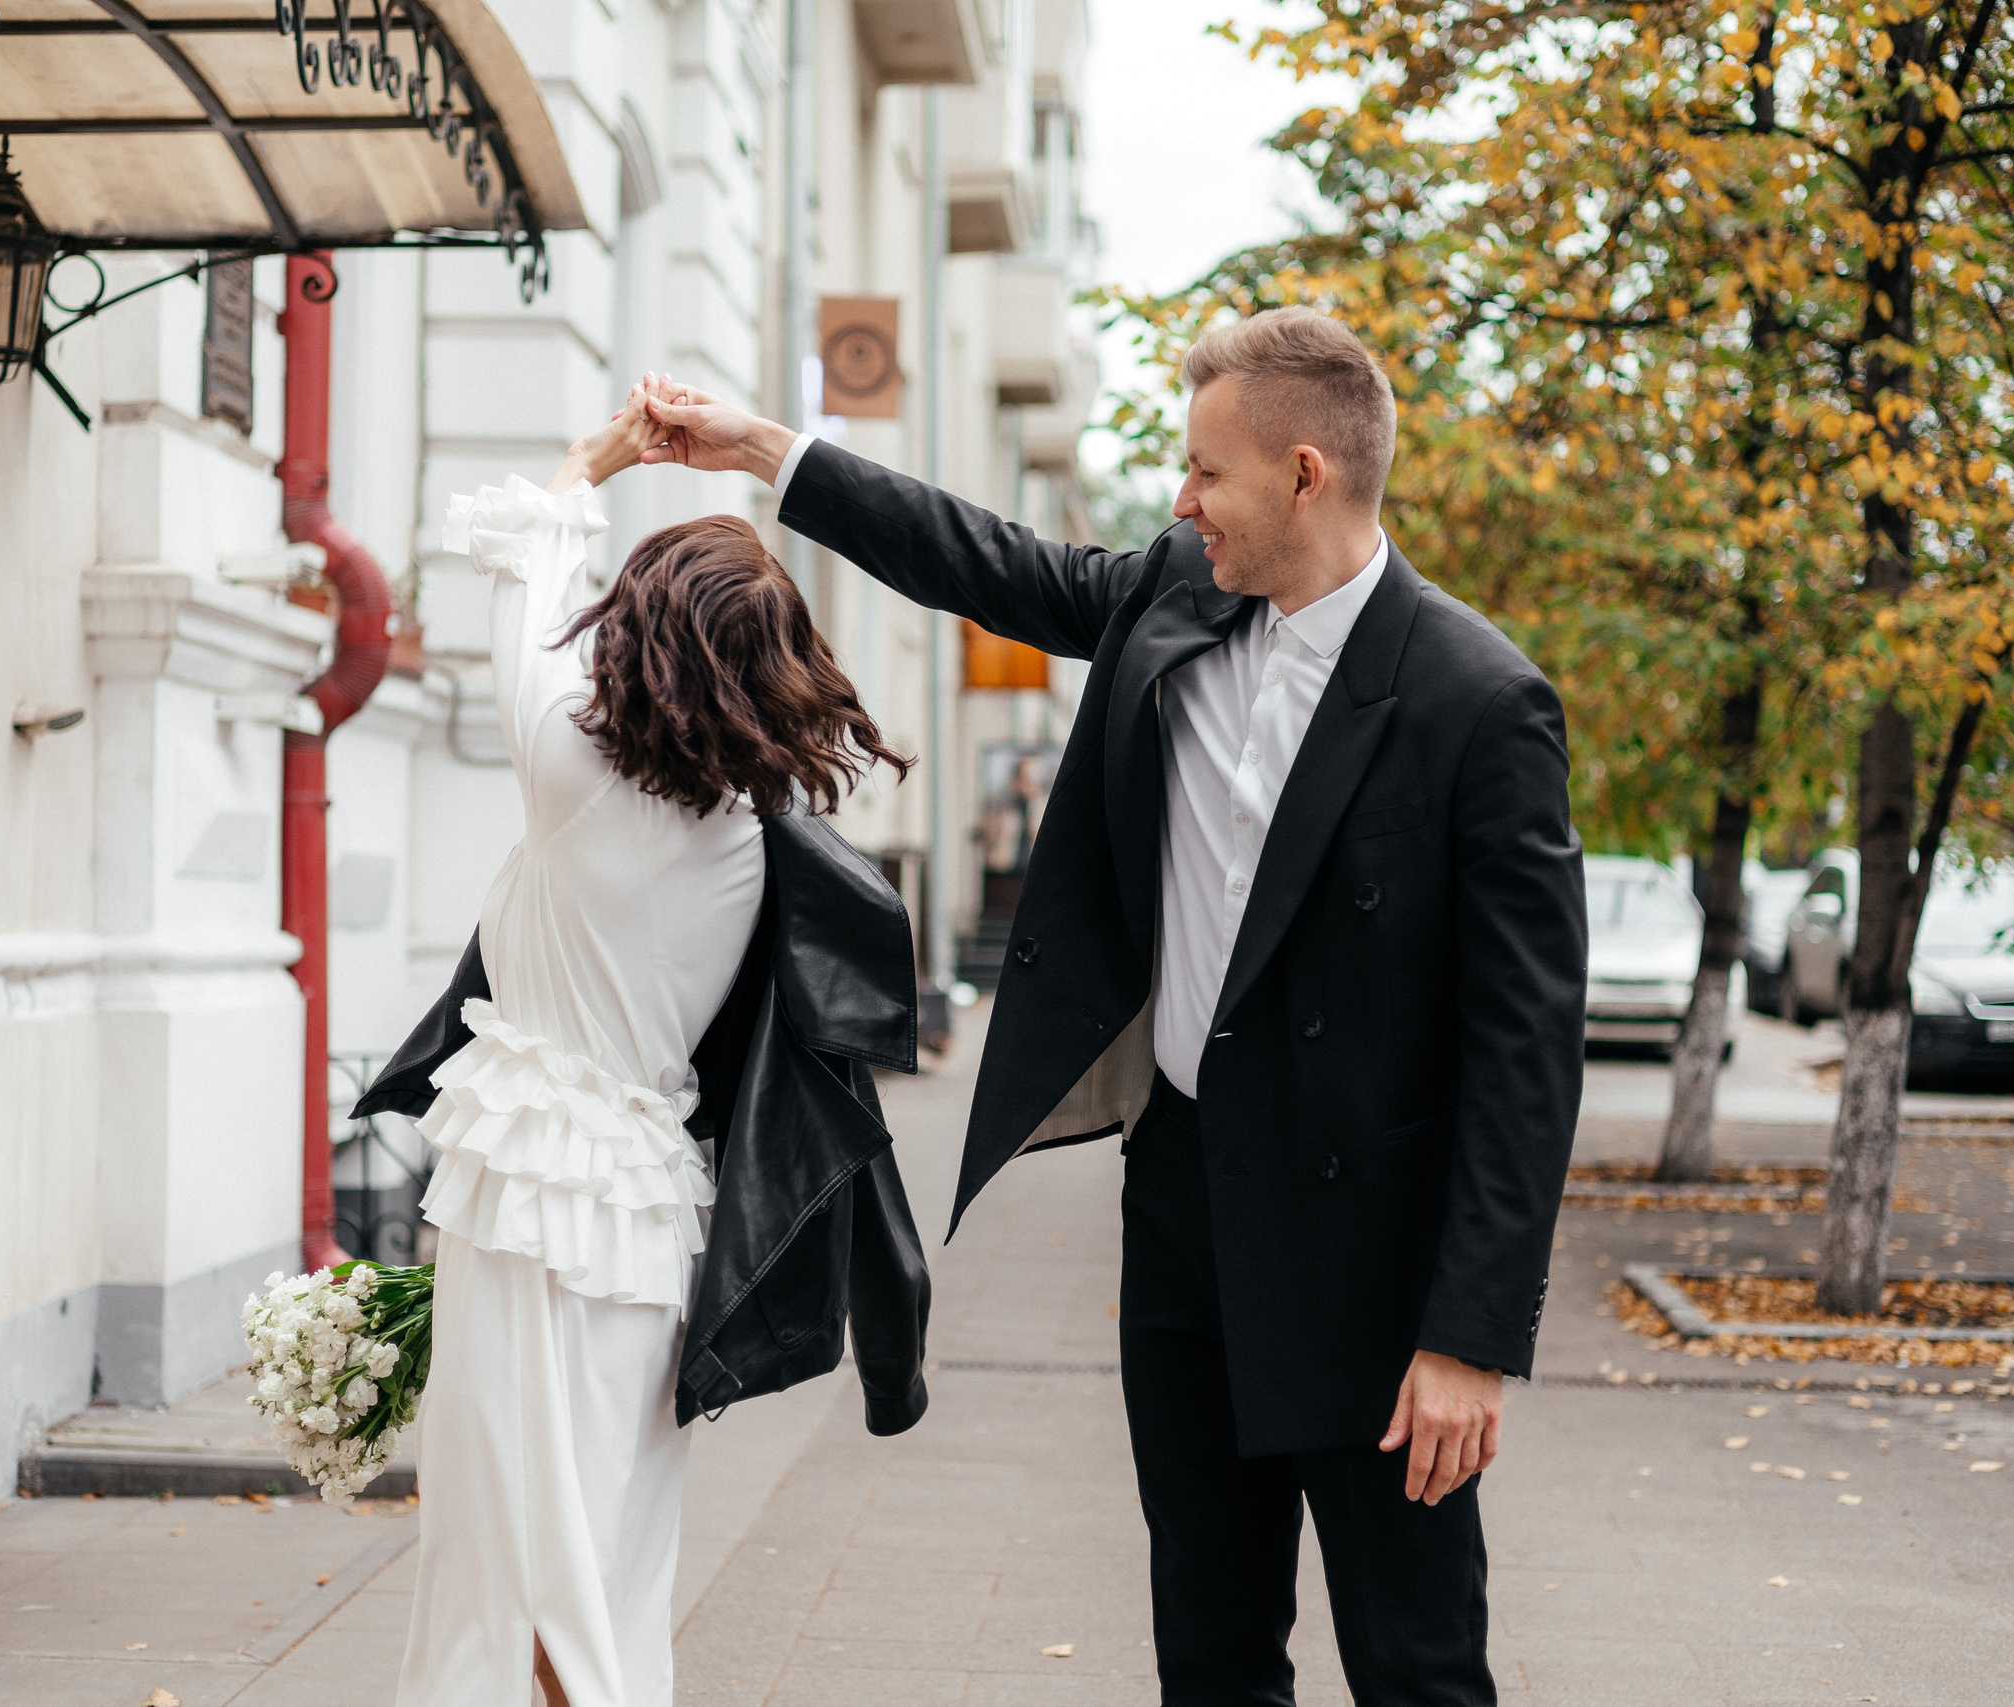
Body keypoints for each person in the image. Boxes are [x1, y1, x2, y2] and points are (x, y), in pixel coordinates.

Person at [634, 308, 1588, 1705]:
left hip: (1380, 1268)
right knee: (1207, 1653)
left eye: (1208, 472)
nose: (1183, 499)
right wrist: (769, 452)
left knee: (1419, 1666)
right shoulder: (1172, 597)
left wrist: (1473, 1339)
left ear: (1307, 477)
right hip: (1189, 1208)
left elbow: (1526, 1050)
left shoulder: (1477, 698)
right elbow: (984, 561)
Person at [393, 383, 920, 1707]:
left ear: (637, 630)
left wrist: (603, 453)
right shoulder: (756, 833)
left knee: (499, 1553)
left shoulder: (565, 764)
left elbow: (526, 561)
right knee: (612, 1560)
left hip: (529, 1206)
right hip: (642, 1219)